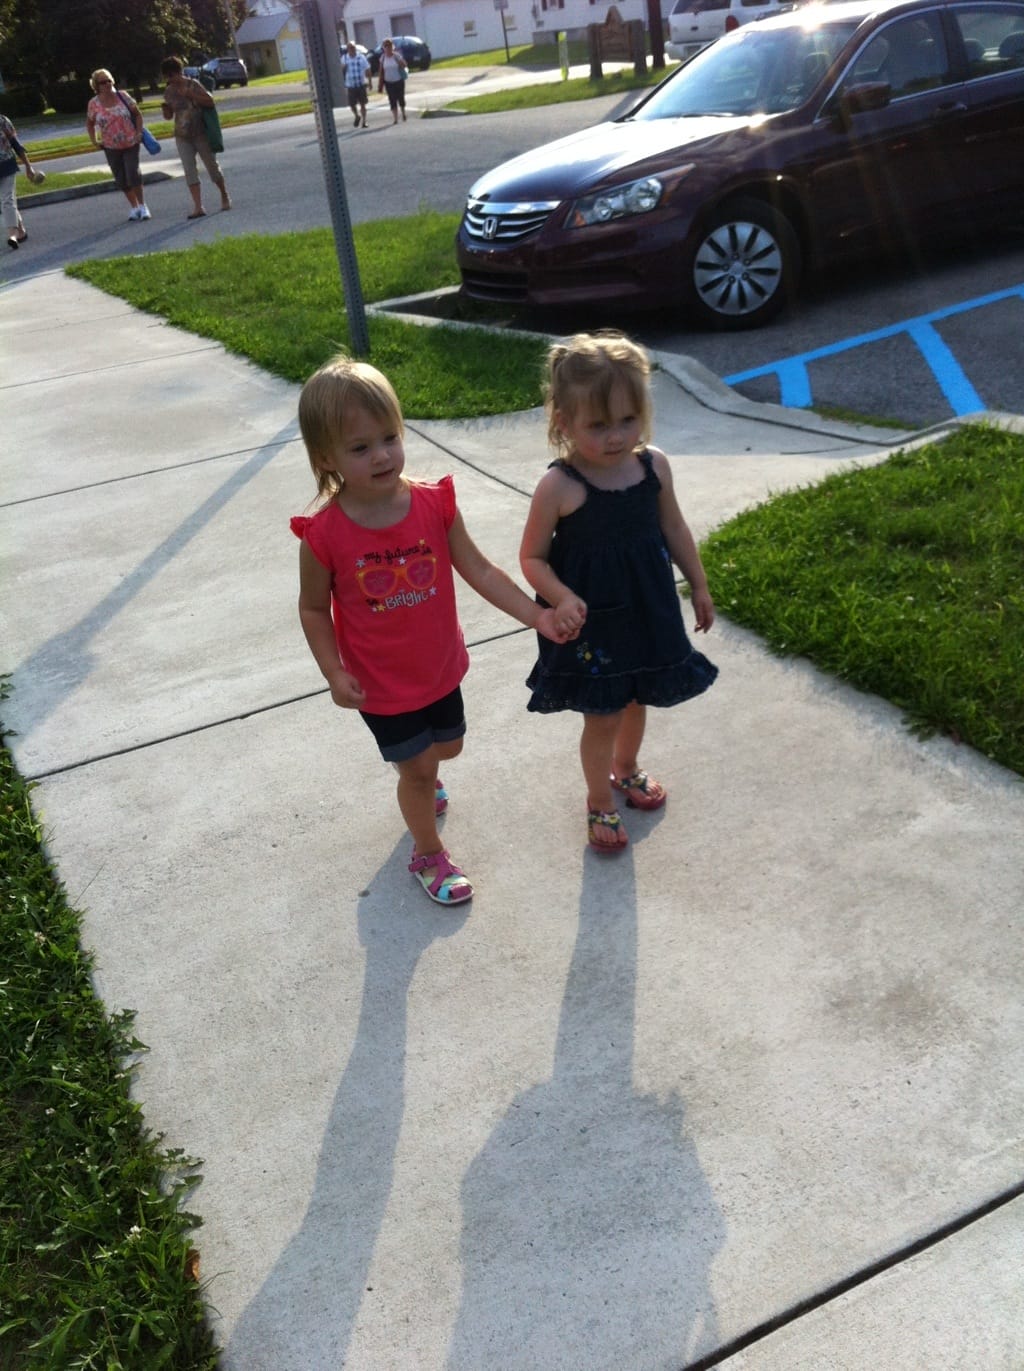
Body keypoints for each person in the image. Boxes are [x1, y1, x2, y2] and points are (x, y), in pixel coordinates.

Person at [292, 355, 573, 906]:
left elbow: (480, 570)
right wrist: (333, 672)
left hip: (440, 667)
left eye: (390, 437)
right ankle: (427, 852)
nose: (382, 455)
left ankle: (420, 773)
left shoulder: (433, 504)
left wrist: (537, 615)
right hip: (381, 685)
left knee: (448, 747)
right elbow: (312, 609)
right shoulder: (323, 536)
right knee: (419, 771)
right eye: (360, 447)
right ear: (326, 458)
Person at [519, 331, 718, 855]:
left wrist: (698, 583)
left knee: (637, 696)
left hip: (648, 607)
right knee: (604, 712)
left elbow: (674, 527)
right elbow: (532, 558)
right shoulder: (560, 486)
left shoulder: (653, 466)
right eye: (598, 425)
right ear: (564, 422)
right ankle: (598, 798)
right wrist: (560, 597)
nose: (616, 436)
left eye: (628, 420)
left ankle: (625, 768)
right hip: (593, 620)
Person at [159, 56, 231, 219]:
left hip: (200, 133)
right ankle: (198, 206)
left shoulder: (193, 84)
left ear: (179, 72)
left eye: (172, 74)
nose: (170, 79)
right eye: (167, 76)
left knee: (211, 166)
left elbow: (210, 101)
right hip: (182, 135)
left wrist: (191, 94)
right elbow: (169, 116)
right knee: (189, 170)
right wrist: (166, 111)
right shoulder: (169, 91)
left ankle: (224, 194)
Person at [86, 69, 150, 221]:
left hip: (131, 142)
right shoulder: (94, 104)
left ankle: (143, 205)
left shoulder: (123, 96)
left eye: (109, 80)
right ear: (96, 86)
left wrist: (139, 132)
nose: (107, 84)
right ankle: (134, 206)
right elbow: (89, 123)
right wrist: (94, 140)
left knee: (132, 172)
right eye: (103, 82)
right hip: (110, 146)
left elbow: (137, 114)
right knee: (121, 178)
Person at [0, 112, 41, 250]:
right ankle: (21, 231)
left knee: (7, 200)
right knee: (6, 201)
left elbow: (15, 144)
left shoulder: (2, 121)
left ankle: (12, 235)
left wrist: (28, 166)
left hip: (6, 165)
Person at [377, 38, 408, 124]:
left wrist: (400, 62)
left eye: (389, 46)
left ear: (392, 46)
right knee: (392, 100)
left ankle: (403, 113)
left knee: (401, 98)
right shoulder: (382, 58)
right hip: (388, 82)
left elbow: (405, 65)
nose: (388, 48)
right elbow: (381, 70)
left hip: (398, 80)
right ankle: (395, 118)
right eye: (386, 46)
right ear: (384, 48)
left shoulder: (396, 55)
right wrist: (380, 83)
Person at [342, 41, 371, 128]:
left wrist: (370, 82)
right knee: (352, 104)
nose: (351, 49)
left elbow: (367, 69)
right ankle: (357, 116)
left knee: (363, 104)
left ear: (355, 48)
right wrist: (343, 67)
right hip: (350, 85)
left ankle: (364, 122)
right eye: (350, 48)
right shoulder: (344, 58)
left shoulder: (361, 57)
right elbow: (341, 70)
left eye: (353, 47)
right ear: (347, 49)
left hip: (361, 84)